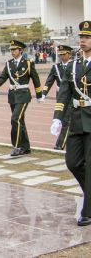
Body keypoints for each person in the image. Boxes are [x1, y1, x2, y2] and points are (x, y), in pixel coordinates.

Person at [50, 21, 91, 226]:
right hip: (76, 119)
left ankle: (88, 210)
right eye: (81, 37)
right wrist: (57, 117)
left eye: (87, 37)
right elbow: (64, 92)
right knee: (73, 162)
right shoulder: (74, 65)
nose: (82, 40)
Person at [0, 39, 43, 156]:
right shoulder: (9, 64)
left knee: (15, 119)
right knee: (20, 121)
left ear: (21, 50)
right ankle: (26, 147)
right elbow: (2, 77)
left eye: (14, 50)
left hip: (23, 95)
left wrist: (39, 95)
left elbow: (35, 79)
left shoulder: (28, 63)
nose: (12, 52)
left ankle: (17, 146)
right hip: (13, 95)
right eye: (11, 50)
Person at [43, 44, 74, 150]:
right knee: (60, 119)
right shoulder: (56, 67)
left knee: (66, 120)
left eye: (63, 54)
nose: (61, 56)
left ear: (69, 54)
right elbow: (49, 81)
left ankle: (60, 144)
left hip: (72, 97)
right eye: (60, 54)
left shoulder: (74, 65)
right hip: (60, 97)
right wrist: (43, 93)